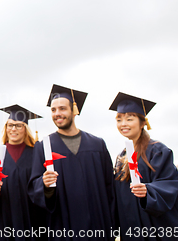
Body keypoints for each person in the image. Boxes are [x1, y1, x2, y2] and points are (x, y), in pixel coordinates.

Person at [28, 84, 115, 241]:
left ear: (74, 110)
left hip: (98, 226)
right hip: (63, 227)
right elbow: (34, 186)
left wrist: (111, 224)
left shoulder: (97, 145)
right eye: (53, 110)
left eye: (62, 109)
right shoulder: (44, 146)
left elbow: (110, 188)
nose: (57, 114)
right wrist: (45, 185)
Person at [110, 92, 178, 241]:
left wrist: (148, 191)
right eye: (119, 119)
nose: (123, 124)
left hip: (156, 228)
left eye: (129, 119)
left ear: (143, 123)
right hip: (131, 229)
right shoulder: (121, 157)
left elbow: (170, 185)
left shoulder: (158, 151)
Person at [0, 104, 46, 240]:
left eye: (18, 125)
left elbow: (43, 185)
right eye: (10, 125)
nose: (13, 129)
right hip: (3, 218)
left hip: (32, 218)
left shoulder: (37, 153)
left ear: (25, 129)